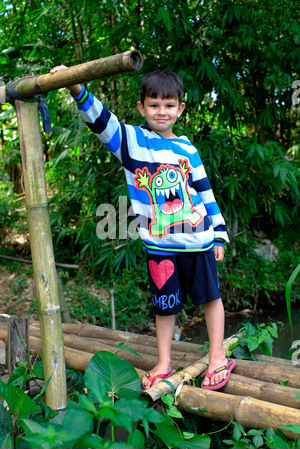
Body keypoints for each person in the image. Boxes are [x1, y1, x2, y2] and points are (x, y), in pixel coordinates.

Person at [50, 66, 236, 390]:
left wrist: (219, 232)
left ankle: (217, 355)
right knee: (164, 306)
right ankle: (164, 361)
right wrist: (78, 90)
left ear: (181, 109)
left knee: (211, 298)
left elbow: (206, 193)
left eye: (168, 105)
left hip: (199, 241)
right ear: (141, 108)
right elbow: (103, 122)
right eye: (153, 105)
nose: (161, 111)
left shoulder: (188, 149)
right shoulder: (134, 142)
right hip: (160, 247)